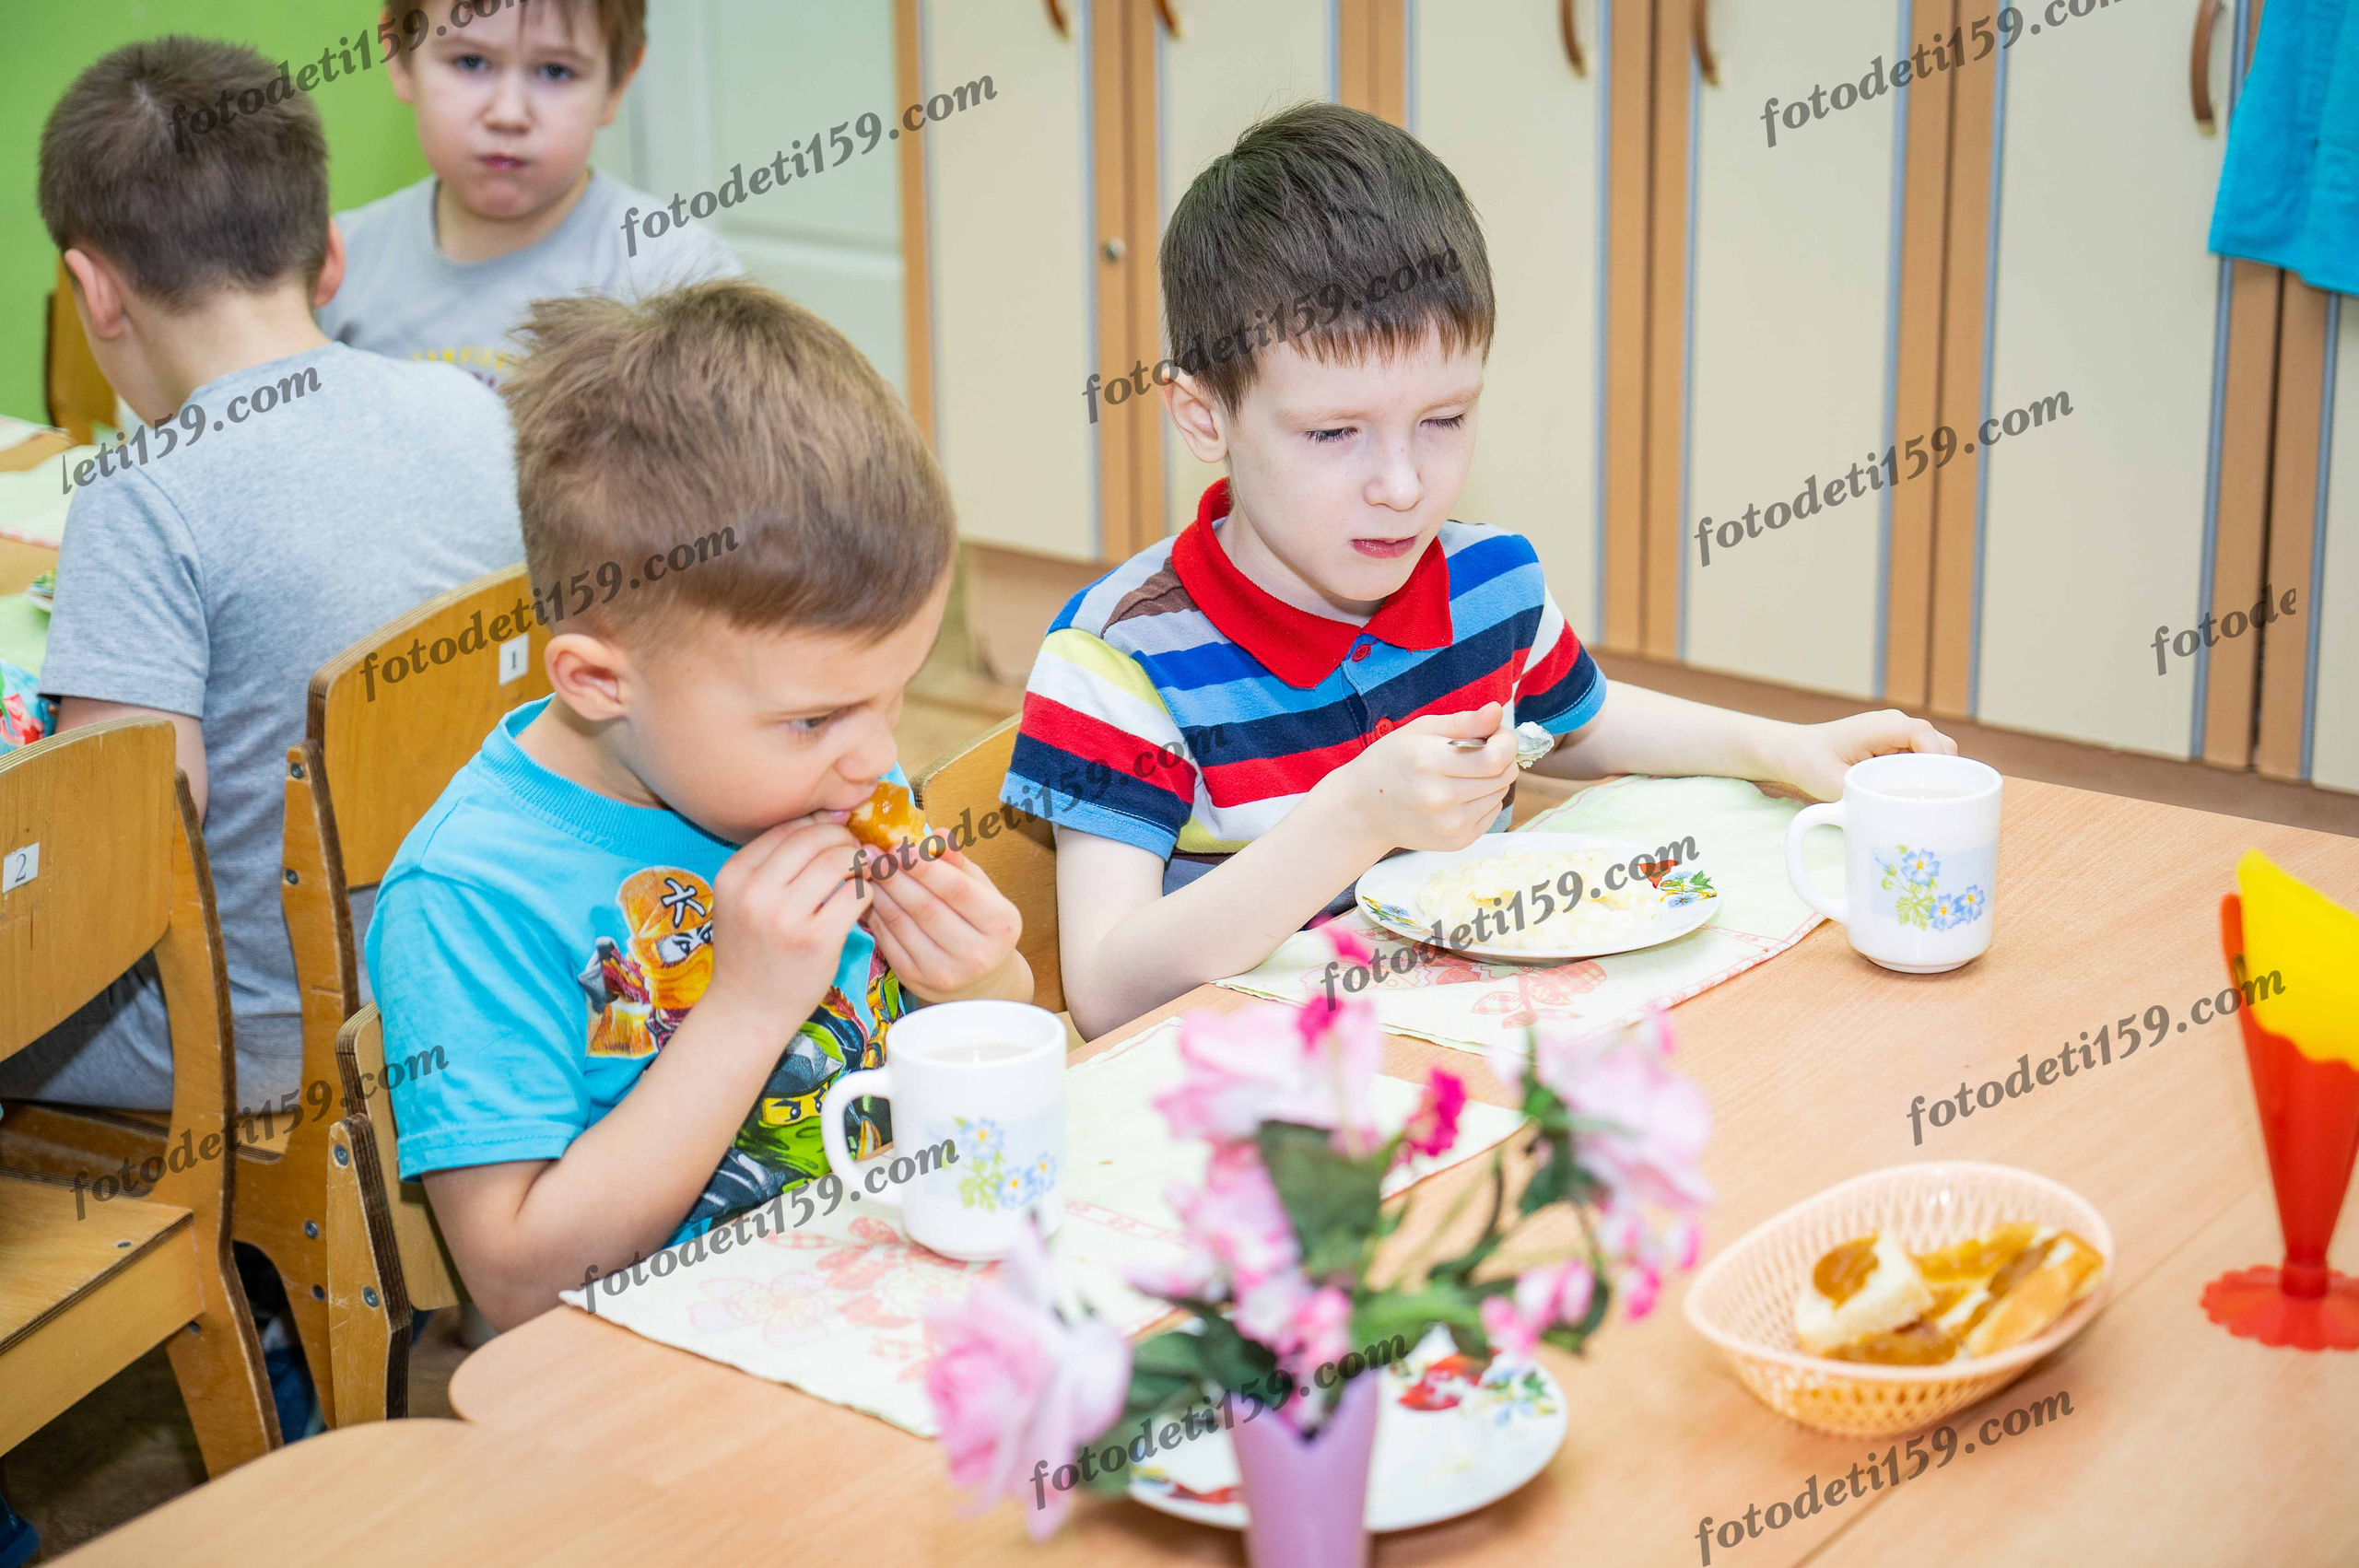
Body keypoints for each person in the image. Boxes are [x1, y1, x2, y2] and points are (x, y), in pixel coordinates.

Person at [1007, 103, 1957, 1037]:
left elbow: (1572, 717)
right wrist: (1352, 815)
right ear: (1203, 415)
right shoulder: (1119, 664)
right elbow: (1106, 991)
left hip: (1474, 1049)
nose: (1402, 485)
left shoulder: (1484, 582)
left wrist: (1780, 749)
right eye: (1335, 432)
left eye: (1445, 419)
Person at [365, 279, 1029, 1328]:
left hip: (903, 1294)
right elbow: (518, 1288)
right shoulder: (472, 897)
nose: (877, 761)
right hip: (666, 1379)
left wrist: (982, 983)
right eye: (815, 720)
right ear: (596, 681)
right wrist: (751, 1009)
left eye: (892, 698)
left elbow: (990, 1094)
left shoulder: (824, 771)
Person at [7, 35, 522, 1116]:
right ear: (328, 254)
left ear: (95, 291)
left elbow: (121, 856)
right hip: (463, 972)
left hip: (251, 1040)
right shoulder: (472, 408)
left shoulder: (145, 494)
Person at [318, 0, 738, 386]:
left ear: (618, 82)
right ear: (399, 58)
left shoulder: (682, 276)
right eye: (471, 61)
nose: (508, 114)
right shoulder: (332, 267)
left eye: (556, 71)